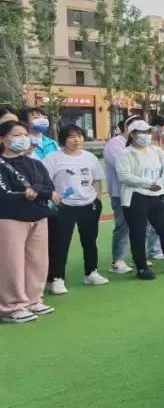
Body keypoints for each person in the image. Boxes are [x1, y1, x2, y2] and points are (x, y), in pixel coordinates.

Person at [115, 119, 164, 280]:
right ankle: (142, 267)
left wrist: (162, 181)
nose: (146, 135)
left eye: (148, 132)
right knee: (138, 232)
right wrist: (149, 183)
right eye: (142, 132)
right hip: (135, 196)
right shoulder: (125, 153)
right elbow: (124, 176)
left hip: (156, 195)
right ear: (133, 134)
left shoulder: (156, 150)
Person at [1, 120, 58, 323]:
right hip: (9, 219)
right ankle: (11, 307)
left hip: (38, 216)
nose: (23, 139)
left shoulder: (35, 163)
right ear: (3, 139)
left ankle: (33, 299)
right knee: (11, 263)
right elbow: (5, 194)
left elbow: (49, 188)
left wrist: (37, 191)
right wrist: (31, 193)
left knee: (37, 261)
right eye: (17, 135)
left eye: (25, 135)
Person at [43, 124, 108, 295]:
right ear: (63, 139)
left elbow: (97, 179)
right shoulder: (53, 158)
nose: (76, 140)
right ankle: (57, 278)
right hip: (64, 206)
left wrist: (97, 199)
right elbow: (45, 181)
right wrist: (54, 198)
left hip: (88, 204)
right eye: (71, 136)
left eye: (79, 136)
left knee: (90, 241)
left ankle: (91, 273)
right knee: (60, 243)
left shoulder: (90, 157)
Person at [102, 116, 141, 274]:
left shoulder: (142, 144)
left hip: (140, 191)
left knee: (140, 225)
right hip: (120, 193)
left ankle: (138, 256)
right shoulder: (114, 143)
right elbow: (122, 166)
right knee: (123, 226)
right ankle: (117, 260)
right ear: (126, 127)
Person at [145, 116, 164, 262]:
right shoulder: (147, 143)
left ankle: (156, 248)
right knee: (148, 218)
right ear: (156, 127)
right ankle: (145, 249)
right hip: (151, 184)